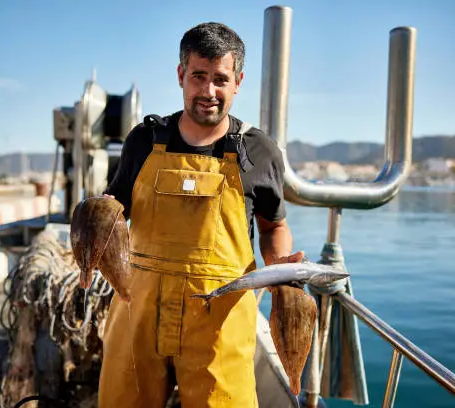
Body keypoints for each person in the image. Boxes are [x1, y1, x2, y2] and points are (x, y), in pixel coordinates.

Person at [99, 21, 304, 407]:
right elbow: (113, 213)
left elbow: (274, 226)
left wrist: (282, 270)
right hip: (137, 313)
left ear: (238, 81)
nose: (208, 91)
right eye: (198, 76)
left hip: (220, 321)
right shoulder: (143, 141)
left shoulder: (259, 152)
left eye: (220, 79)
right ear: (181, 75)